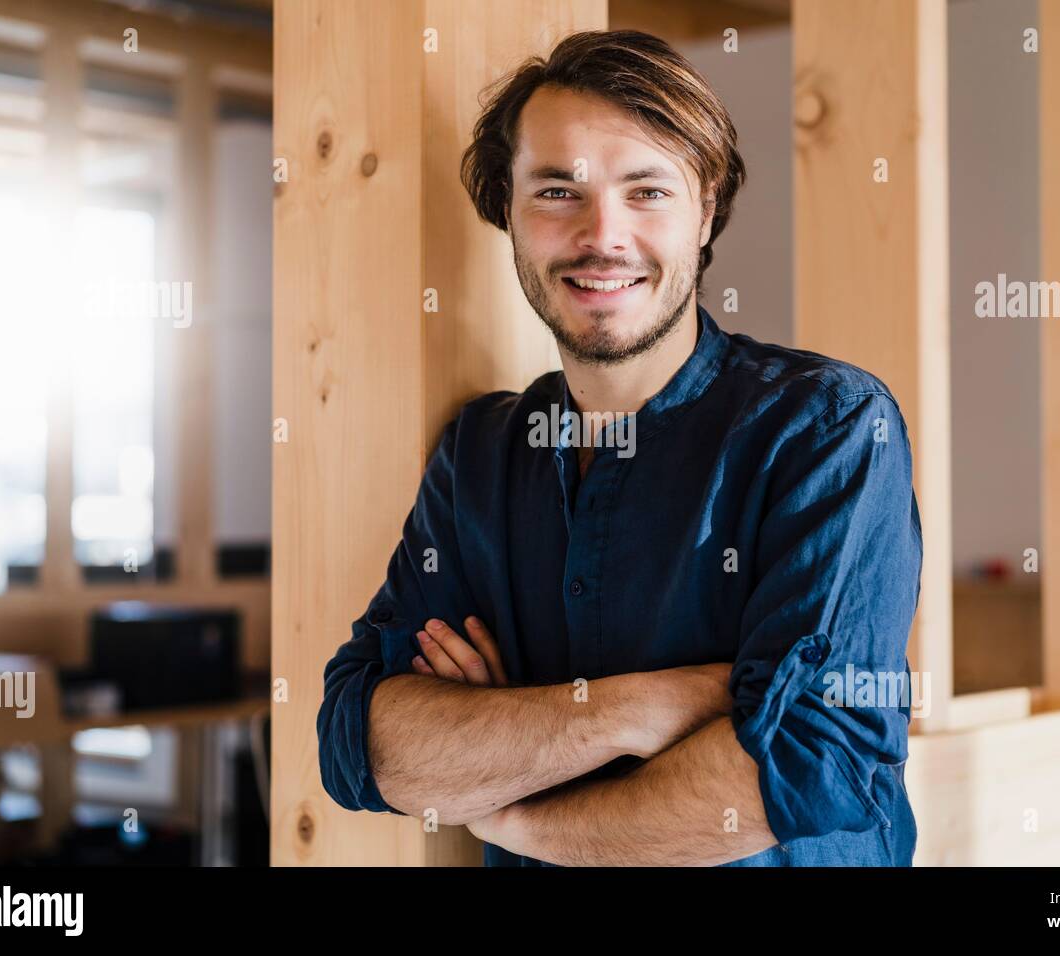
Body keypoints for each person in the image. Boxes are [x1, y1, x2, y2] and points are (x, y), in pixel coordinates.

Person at [317, 30, 921, 867]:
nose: (604, 235)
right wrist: (643, 709)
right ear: (508, 212)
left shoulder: (827, 430)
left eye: (647, 191)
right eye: (558, 190)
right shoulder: (479, 459)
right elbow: (360, 744)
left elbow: (808, 764)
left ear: (705, 208)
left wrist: (517, 810)